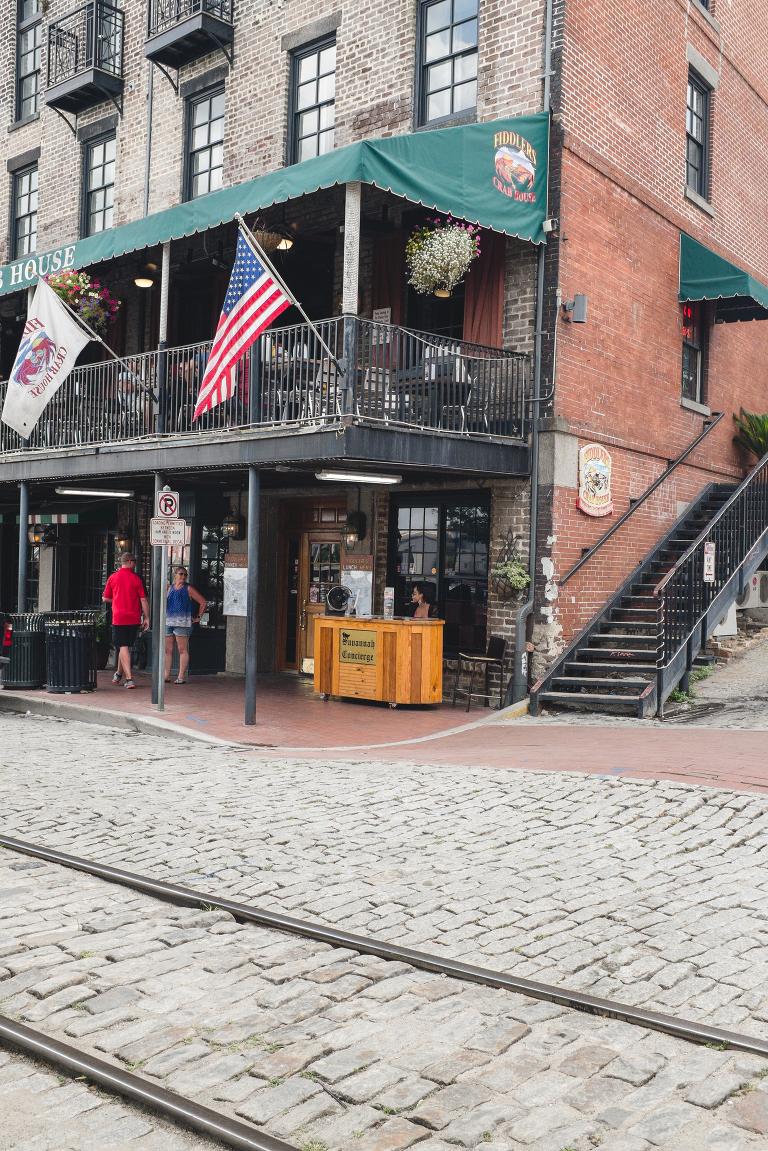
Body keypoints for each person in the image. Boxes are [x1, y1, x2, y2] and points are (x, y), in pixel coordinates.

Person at [103, 553, 150, 689]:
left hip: (119, 617)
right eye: (134, 561)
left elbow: (105, 598)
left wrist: (117, 600)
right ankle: (119, 674)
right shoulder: (136, 578)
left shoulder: (113, 578)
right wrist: (147, 618)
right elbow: (143, 600)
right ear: (129, 561)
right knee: (125, 647)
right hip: (134, 617)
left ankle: (129, 679)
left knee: (123, 647)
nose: (135, 563)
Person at [165, 567, 207, 684]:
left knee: (182, 649)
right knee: (167, 650)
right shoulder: (170, 588)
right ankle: (166, 675)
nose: (183, 577)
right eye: (181, 574)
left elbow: (203, 602)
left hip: (182, 622)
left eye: (185, 575)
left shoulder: (188, 588)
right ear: (175, 575)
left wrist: (198, 617)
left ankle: (181, 676)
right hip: (169, 621)